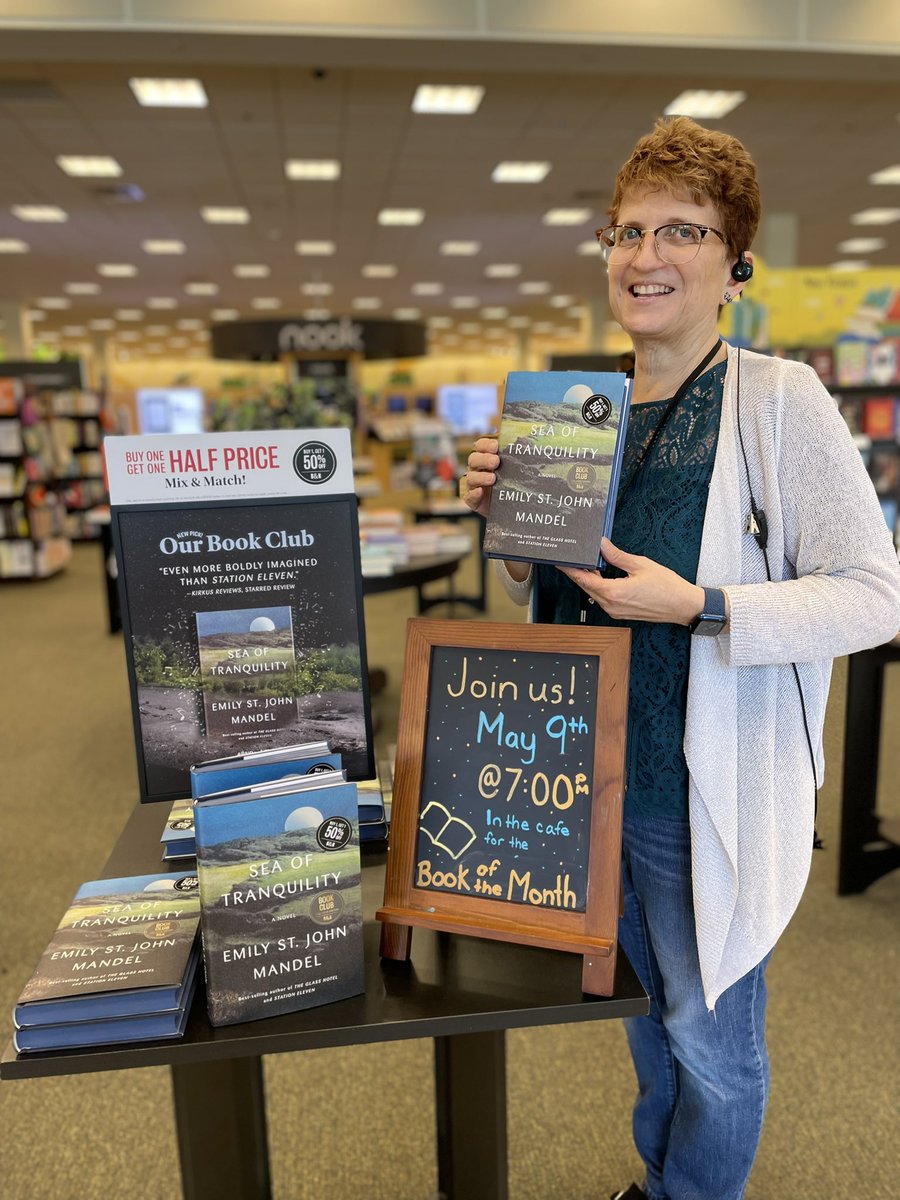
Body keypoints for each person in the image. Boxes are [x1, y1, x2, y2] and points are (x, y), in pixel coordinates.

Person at [463, 115, 900, 1200]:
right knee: (643, 1014)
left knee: (713, 1039)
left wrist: (700, 604)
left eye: (681, 232)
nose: (644, 256)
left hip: (697, 785)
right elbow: (549, 590)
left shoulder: (777, 401)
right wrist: (507, 535)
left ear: (733, 265)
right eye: (627, 231)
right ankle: (662, 1179)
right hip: (576, 773)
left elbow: (875, 595)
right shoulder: (577, 407)